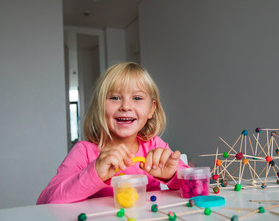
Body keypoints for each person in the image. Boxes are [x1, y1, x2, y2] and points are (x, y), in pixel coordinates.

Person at [37, 62, 189, 204]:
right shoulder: (84, 152)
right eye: (115, 98)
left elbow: (195, 185)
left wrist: (172, 175)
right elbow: (46, 201)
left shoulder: (154, 145)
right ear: (100, 107)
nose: (126, 106)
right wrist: (94, 172)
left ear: (151, 109)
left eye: (137, 98)